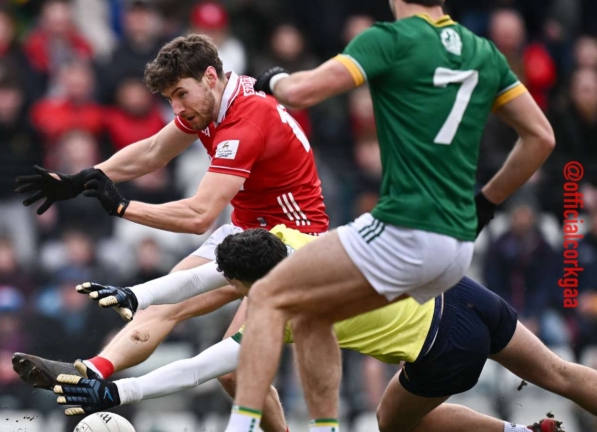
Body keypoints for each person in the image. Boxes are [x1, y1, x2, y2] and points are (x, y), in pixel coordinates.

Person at [225, 0, 556, 430]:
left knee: (268, 293)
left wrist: (274, 79)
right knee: (313, 315)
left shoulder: (391, 40)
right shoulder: (483, 51)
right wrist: (487, 202)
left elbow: (301, 92)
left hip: (406, 229)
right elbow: (541, 138)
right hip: (457, 246)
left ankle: (243, 427)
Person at [12, 34, 329, 415]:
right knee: (164, 307)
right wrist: (80, 180)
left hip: (292, 246)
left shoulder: (246, 120)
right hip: (246, 231)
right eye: (169, 99)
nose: (177, 108)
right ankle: (92, 373)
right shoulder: (211, 104)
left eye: (181, 94)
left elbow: (199, 216)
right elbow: (152, 152)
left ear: (210, 76)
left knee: (230, 370)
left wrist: (123, 207)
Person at [51, 227, 590, 432]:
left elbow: (206, 366)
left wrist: (121, 389)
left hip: (443, 347)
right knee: (557, 373)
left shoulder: (285, 311)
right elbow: (207, 275)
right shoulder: (292, 238)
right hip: (462, 294)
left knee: (394, 423)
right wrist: (140, 295)